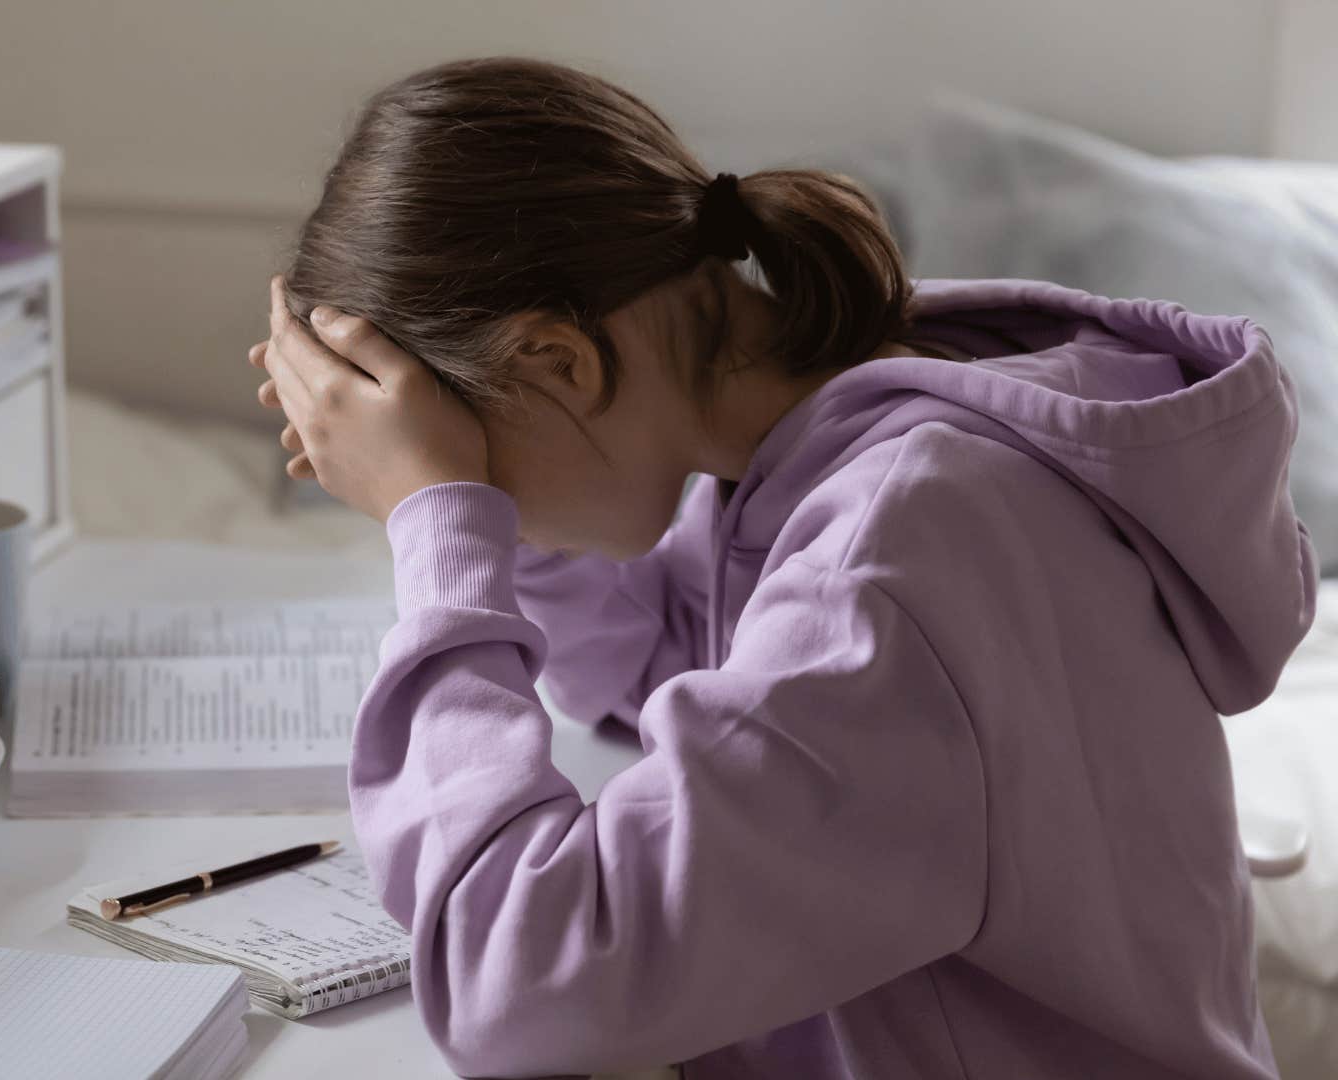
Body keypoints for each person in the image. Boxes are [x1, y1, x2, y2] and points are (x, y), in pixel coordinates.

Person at [249, 58, 1314, 1079]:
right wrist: (467, 504)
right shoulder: (813, 433)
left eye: (470, 445)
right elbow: (658, 669)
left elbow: (519, 981)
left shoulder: (895, 561)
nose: (482, 494)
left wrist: (438, 532)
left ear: (557, 362)